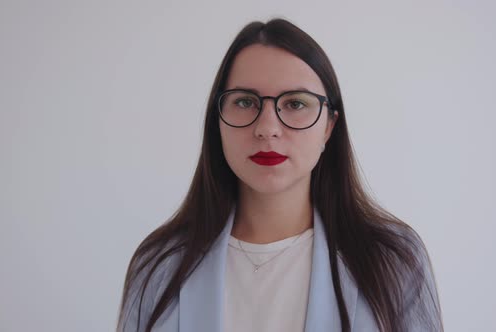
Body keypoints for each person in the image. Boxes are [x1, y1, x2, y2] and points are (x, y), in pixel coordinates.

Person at [116, 18, 443, 332]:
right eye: (245, 101)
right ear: (217, 120)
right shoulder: (159, 266)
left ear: (329, 125)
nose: (267, 129)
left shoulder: (391, 260)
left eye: (295, 104)